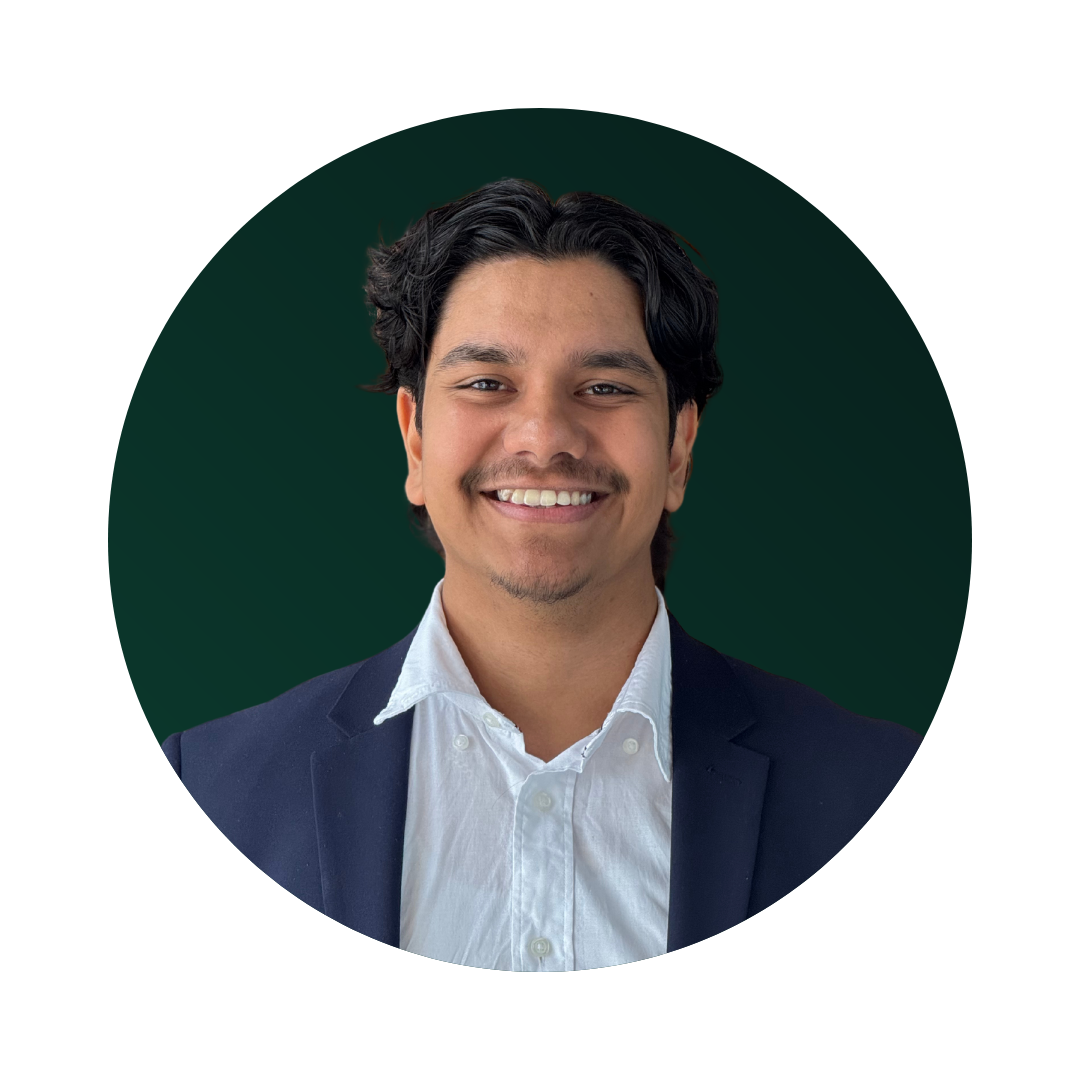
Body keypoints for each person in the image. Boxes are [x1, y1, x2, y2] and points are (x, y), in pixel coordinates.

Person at [162, 179, 920, 971]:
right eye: (487, 383)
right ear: (415, 441)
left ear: (679, 451)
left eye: (604, 388)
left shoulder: (880, 800)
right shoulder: (207, 797)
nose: (544, 436)